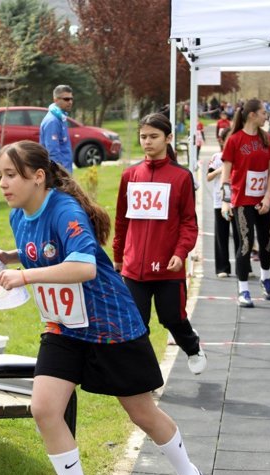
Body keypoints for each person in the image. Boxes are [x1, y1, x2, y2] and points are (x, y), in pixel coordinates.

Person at [0, 140, 210, 475]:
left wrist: (25, 277)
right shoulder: (18, 215)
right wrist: (9, 256)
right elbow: (45, 252)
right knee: (44, 408)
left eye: (11, 175)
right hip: (64, 326)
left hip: (111, 325)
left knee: (141, 413)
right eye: (0, 176)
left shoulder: (65, 210)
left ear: (38, 177)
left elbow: (83, 266)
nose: (3, 183)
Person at [113, 113, 208, 375]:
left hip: (167, 267)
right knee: (136, 324)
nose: (147, 142)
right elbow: (122, 219)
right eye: (143, 137)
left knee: (172, 318)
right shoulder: (130, 175)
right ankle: (144, 375)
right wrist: (119, 255)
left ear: (168, 138)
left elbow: (189, 222)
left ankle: (193, 347)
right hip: (134, 268)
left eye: (153, 137)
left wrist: (180, 252)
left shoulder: (181, 177)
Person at [220, 98, 270, 307]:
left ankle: (266, 278)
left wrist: (267, 196)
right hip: (242, 200)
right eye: (264, 112)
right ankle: (243, 289)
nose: (267, 116)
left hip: (263, 199)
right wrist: (225, 201)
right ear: (253, 115)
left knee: (265, 242)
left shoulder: (267, 139)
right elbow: (226, 174)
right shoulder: (234, 140)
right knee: (245, 243)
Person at [208, 128, 239, 278]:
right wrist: (221, 170)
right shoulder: (217, 157)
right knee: (222, 234)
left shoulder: (240, 156)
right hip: (220, 202)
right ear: (222, 140)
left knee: (241, 235)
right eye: (229, 138)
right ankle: (222, 268)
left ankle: (243, 267)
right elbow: (208, 176)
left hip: (238, 201)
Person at [39, 85, 75, 174]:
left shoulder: (61, 118)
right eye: (66, 99)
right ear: (56, 100)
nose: (70, 102)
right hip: (59, 174)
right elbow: (52, 151)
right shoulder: (52, 121)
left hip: (65, 171)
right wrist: (59, 175)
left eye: (71, 99)